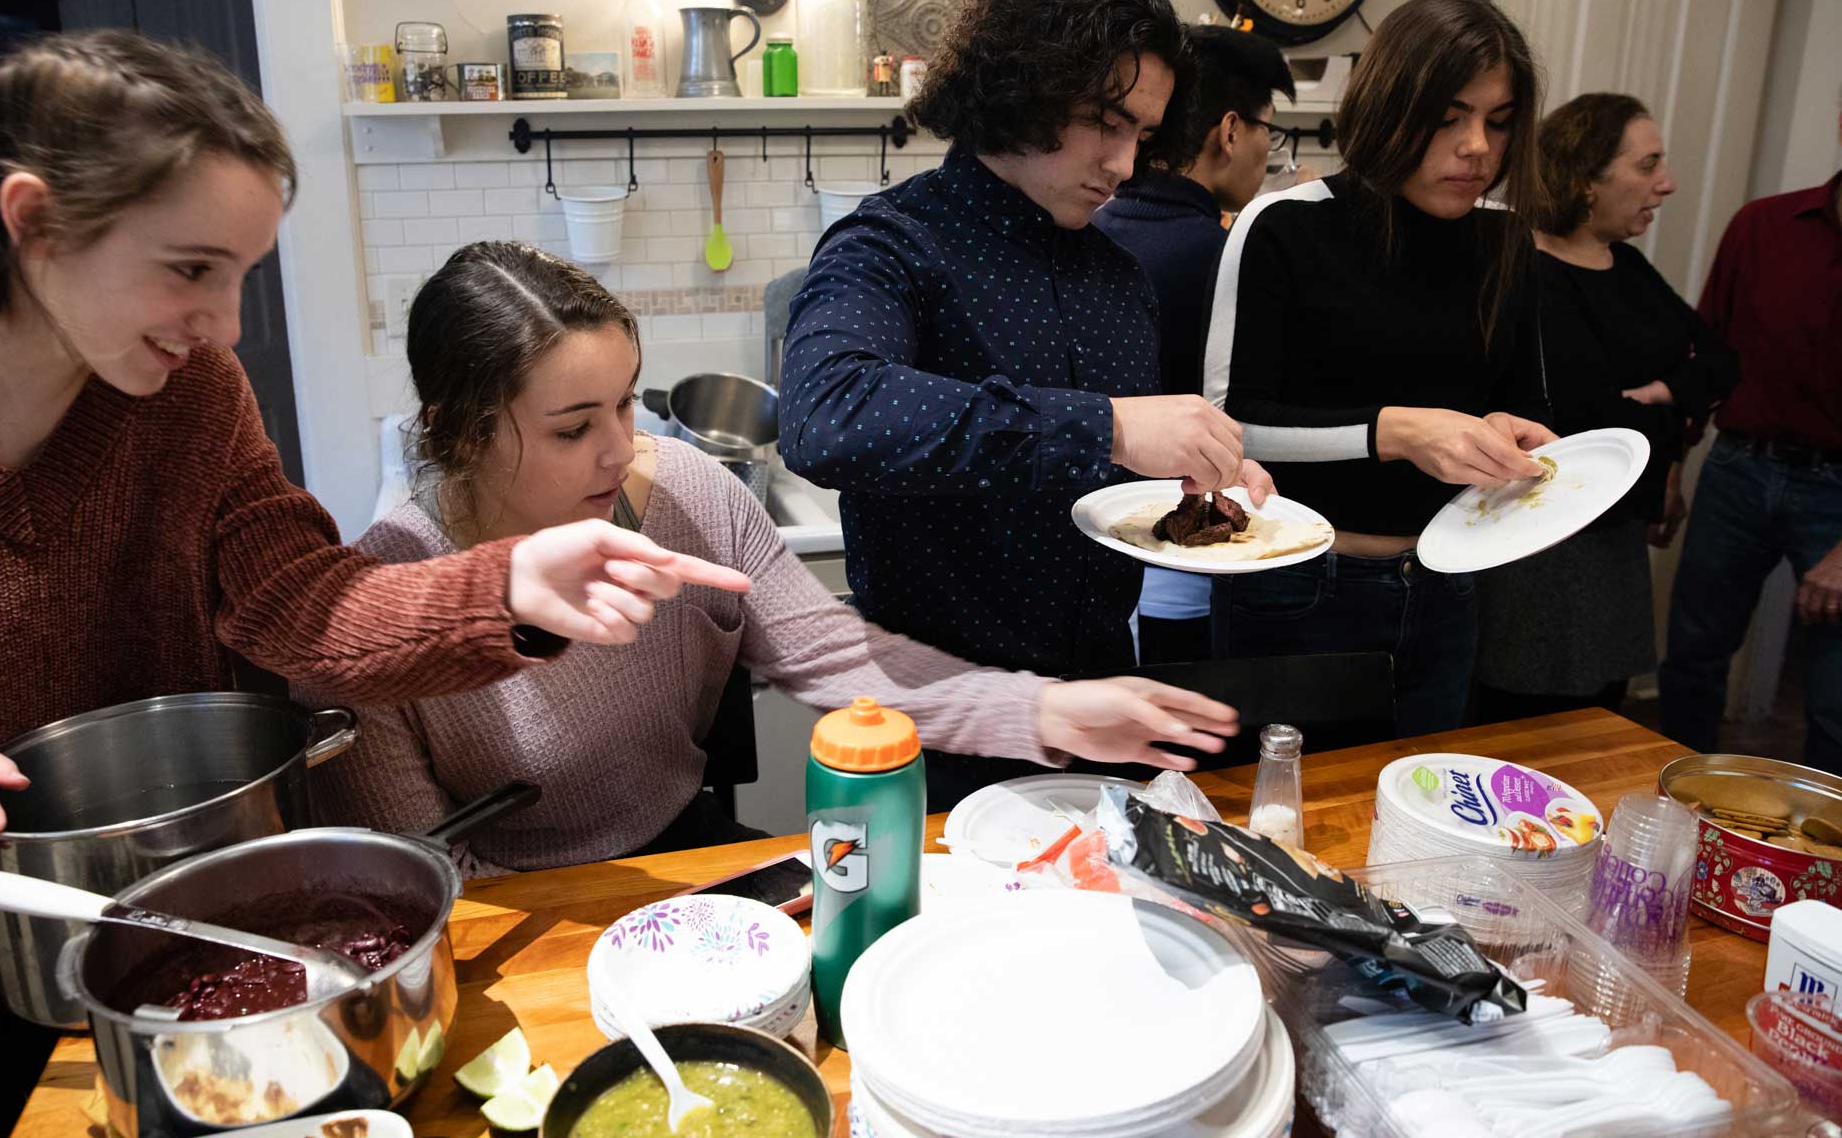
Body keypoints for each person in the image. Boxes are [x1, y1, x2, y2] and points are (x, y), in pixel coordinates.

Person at [0, 32, 747, 1102]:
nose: (222, 328)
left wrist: (502, 586)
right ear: (31, 221)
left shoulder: (193, 395)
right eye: (189, 271)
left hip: (172, 941)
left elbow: (297, 601)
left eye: (240, 278)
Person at [311, 241, 1241, 869]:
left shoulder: (680, 491)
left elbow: (835, 658)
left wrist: (1048, 711)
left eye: (627, 403)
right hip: (517, 901)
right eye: (570, 429)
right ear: (461, 433)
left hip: (691, 851)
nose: (618, 449)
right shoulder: (383, 601)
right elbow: (420, 874)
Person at [777, 0, 1264, 808]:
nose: (1123, 164)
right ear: (1028, 87)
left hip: (1108, 714)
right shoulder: (892, 244)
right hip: (932, 723)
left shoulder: (1119, 280)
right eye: (1107, 124)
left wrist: (1197, 478)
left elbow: (1109, 485)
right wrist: (1109, 426)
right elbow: (827, 414)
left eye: (1143, 135)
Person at [1202, 0, 1556, 735]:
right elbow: (1230, 429)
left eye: (1498, 122)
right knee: (1282, 829)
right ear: (1391, 105)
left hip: (1448, 584)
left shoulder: (1506, 241)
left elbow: (1526, 407)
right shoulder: (1288, 227)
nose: (1477, 149)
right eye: (1450, 116)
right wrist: (1396, 432)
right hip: (1298, 585)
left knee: (1420, 822)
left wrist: (1510, 434)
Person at [1476, 94, 1737, 720]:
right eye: (1647, 166)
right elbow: (1584, 419)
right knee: (1533, 723)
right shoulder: (1527, 269)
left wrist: (1662, 398)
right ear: (1586, 180)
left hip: (1616, 540)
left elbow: (1723, 362)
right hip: (1549, 542)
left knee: (1602, 714)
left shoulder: (1628, 266)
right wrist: (1665, 422)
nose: (1666, 184)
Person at [1093, 26, 1296, 666]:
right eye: (1270, 130)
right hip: (1206, 564)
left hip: (1102, 562)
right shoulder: (1234, 254)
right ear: (1230, 131)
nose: (1269, 150)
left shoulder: (1089, 232)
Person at [1660, 101, 1842, 769]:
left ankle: (1825, 861)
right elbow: (1704, 356)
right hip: (1739, 469)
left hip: (1838, 495)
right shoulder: (1764, 226)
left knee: (1835, 698)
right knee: (1692, 658)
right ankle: (1679, 823)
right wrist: (1675, 465)